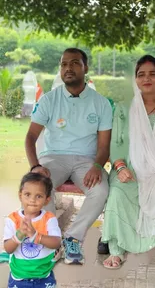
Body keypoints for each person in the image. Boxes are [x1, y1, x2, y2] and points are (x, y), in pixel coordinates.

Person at [25, 47, 112, 265]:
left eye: (74, 63)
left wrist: (98, 166)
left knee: (101, 190)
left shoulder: (100, 103)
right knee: (38, 187)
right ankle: (52, 239)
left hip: (87, 160)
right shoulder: (48, 100)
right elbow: (30, 137)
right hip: (54, 157)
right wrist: (35, 166)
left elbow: (104, 146)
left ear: (86, 68)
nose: (68, 68)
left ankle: (73, 237)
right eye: (64, 64)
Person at [101, 54, 155, 269]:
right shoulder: (124, 109)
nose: (147, 78)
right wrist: (120, 166)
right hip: (129, 166)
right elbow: (116, 143)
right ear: (135, 79)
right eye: (141, 74)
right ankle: (116, 249)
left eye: (152, 74)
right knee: (117, 192)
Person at [3, 172, 61, 287]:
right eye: (27, 194)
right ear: (20, 196)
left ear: (47, 200)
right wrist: (19, 235)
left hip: (44, 275)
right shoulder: (13, 219)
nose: (32, 200)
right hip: (19, 277)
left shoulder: (49, 219)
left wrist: (36, 236)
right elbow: (8, 249)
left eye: (38, 196)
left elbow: (56, 242)